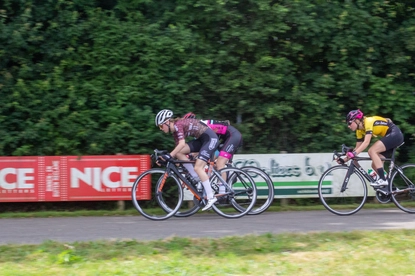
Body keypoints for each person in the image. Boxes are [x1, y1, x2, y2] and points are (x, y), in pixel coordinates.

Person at [155, 109, 219, 211]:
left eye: (161, 126)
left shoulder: (177, 125)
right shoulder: (174, 132)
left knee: (198, 167)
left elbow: (181, 144)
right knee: (179, 152)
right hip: (202, 140)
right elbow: (178, 150)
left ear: (167, 122)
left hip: (210, 139)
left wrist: (169, 156)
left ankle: (211, 197)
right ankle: (195, 177)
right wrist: (165, 157)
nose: (161, 129)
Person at [338, 109, 404, 187]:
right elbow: (357, 148)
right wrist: (345, 159)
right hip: (389, 137)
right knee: (374, 165)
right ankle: (392, 189)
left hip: (395, 134)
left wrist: (354, 153)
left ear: (356, 120)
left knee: (372, 151)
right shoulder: (359, 130)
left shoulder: (368, 122)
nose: (348, 126)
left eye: (349, 123)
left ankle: (383, 179)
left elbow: (366, 142)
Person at [183, 112, 243, 194]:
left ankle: (222, 192)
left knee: (219, 164)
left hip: (233, 136)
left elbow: (211, 142)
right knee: (211, 162)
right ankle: (226, 175)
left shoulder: (202, 126)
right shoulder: (197, 130)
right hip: (223, 140)